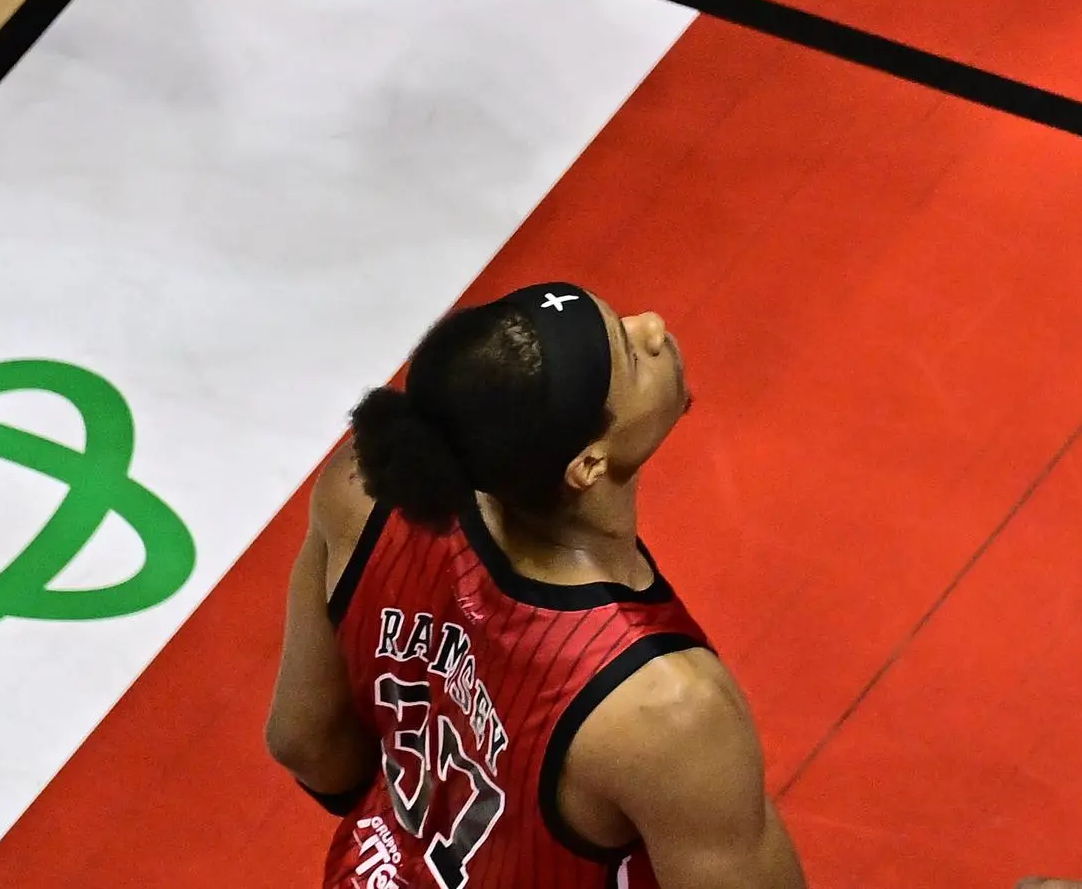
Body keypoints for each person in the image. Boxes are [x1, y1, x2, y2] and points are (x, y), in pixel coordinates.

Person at [264, 281, 809, 888]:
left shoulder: (369, 493)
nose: (651, 325)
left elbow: (306, 741)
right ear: (588, 465)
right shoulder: (666, 708)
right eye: (629, 358)